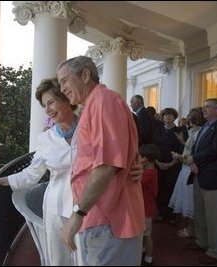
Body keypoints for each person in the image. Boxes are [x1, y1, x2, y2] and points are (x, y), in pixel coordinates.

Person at [0, 77, 143, 266]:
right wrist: (0, 181)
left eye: (51, 102)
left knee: (85, 258)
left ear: (65, 99)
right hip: (55, 208)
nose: (47, 109)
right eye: (44, 105)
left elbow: (115, 152)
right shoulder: (46, 139)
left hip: (87, 204)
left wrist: (134, 167)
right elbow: (32, 174)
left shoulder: (90, 127)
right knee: (58, 259)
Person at [57, 56, 145, 266]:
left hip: (109, 218)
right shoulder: (95, 104)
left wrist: (78, 214)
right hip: (103, 216)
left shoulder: (103, 101)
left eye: (64, 81)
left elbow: (106, 165)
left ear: (85, 75)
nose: (62, 89)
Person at [184, 98, 217, 264]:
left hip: (215, 178)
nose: (203, 109)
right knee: (201, 213)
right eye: (203, 106)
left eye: (207, 107)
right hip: (200, 174)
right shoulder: (205, 126)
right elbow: (197, 147)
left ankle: (216, 251)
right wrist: (194, 163)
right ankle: (202, 241)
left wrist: (194, 160)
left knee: (214, 216)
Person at [169, 107, 206, 239]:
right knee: (188, 202)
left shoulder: (197, 133)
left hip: (189, 169)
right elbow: (190, 148)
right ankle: (190, 228)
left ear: (193, 119)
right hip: (186, 169)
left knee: (190, 202)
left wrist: (177, 156)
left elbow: (192, 155)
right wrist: (182, 141)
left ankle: (191, 230)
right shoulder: (197, 131)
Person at [139, 144, 160, 266]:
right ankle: (144, 252)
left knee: (147, 235)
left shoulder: (148, 173)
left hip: (145, 208)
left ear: (145, 159)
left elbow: (135, 180)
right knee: (144, 233)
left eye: (140, 157)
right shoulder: (151, 171)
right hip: (146, 206)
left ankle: (149, 258)